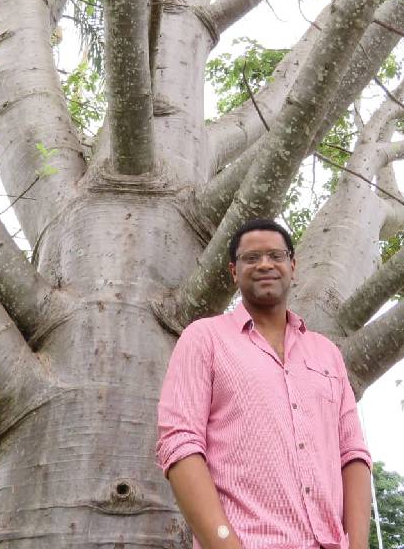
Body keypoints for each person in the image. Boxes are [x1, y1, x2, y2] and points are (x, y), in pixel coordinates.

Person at [156, 219, 372, 549]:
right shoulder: (204, 338)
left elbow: (352, 453)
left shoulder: (327, 353)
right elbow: (179, 443)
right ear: (234, 271)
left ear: (292, 266)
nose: (265, 264)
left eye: (276, 255)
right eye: (251, 258)